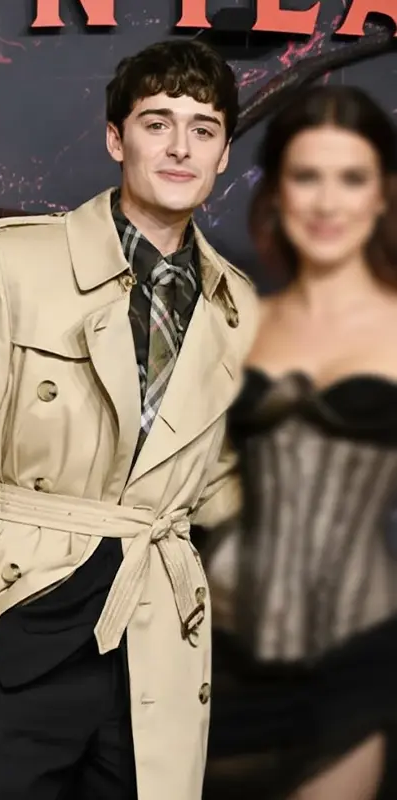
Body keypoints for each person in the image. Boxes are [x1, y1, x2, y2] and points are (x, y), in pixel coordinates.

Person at [0, 39, 258, 800]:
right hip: (20, 619)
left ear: (224, 153)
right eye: (157, 123)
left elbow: (218, 488)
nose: (180, 147)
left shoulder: (239, 311)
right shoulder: (15, 263)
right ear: (116, 138)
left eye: (203, 129)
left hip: (157, 641)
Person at [201, 85, 397, 800]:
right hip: (211, 659)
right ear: (277, 193)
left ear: (383, 194)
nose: (327, 202)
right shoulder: (239, 321)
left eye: (351, 178)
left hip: (354, 663)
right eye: (306, 176)